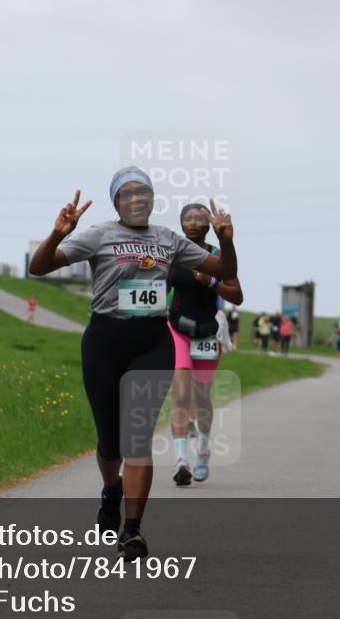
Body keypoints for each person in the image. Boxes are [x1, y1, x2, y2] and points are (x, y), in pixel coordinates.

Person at [28, 166, 237, 561]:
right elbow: (39, 267)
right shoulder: (99, 234)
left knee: (138, 438)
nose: (138, 198)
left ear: (153, 199)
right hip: (104, 341)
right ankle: (111, 490)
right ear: (117, 202)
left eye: (144, 192)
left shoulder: (168, 239)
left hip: (151, 343)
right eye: (128, 193)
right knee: (111, 442)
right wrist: (59, 232)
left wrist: (226, 242)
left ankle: (132, 530)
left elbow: (225, 272)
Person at [167, 203, 244, 486]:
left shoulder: (217, 256)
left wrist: (211, 282)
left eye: (200, 218)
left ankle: (203, 449)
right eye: (188, 218)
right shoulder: (172, 252)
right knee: (181, 393)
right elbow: (158, 285)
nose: (193, 222)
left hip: (208, 332)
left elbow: (237, 296)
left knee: (201, 398)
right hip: (177, 329)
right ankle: (180, 460)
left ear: (208, 224)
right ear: (181, 224)